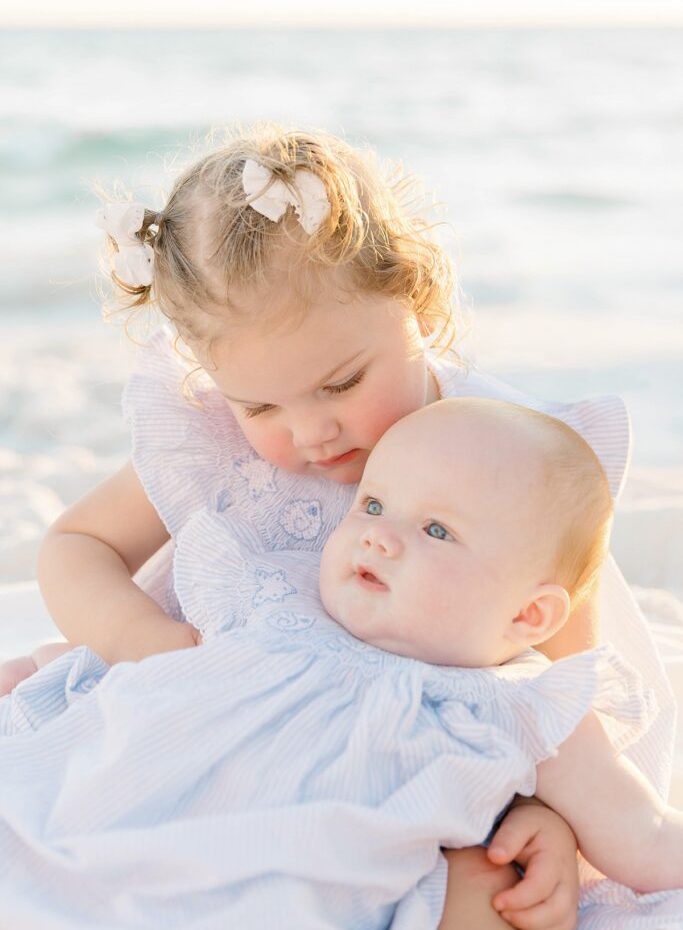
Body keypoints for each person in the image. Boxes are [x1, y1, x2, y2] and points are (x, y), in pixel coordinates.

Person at [0, 126, 675, 928]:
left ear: (416, 300)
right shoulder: (220, 441)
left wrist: (558, 820)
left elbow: (569, 683)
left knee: (482, 892)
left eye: (341, 382)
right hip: (223, 729)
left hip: (395, 771)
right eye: (259, 404)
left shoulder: (502, 455)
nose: (310, 431)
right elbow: (79, 545)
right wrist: (135, 643)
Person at [1, 396, 682, 929]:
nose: (378, 536)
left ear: (526, 616)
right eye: (374, 504)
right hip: (116, 817)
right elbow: (164, 681)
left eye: (435, 530)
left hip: (284, 889)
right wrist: (54, 670)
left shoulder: (527, 703)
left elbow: (645, 836)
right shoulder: (273, 593)